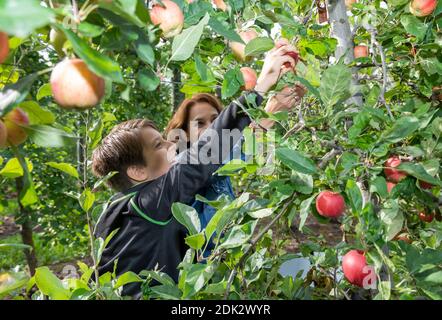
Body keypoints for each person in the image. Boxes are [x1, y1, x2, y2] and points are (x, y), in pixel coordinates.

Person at [91, 43, 298, 297]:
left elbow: (224, 153)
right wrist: (260, 86)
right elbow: (202, 158)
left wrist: (264, 119)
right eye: (158, 145)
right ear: (137, 171)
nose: (170, 144)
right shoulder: (149, 203)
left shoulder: (118, 210)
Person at [164, 86, 305, 258]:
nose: (210, 128)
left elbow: (242, 151)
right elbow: (219, 156)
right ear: (184, 132)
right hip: (195, 273)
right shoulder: (178, 165)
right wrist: (268, 114)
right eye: (199, 123)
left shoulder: (222, 162)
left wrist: (274, 112)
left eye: (216, 120)